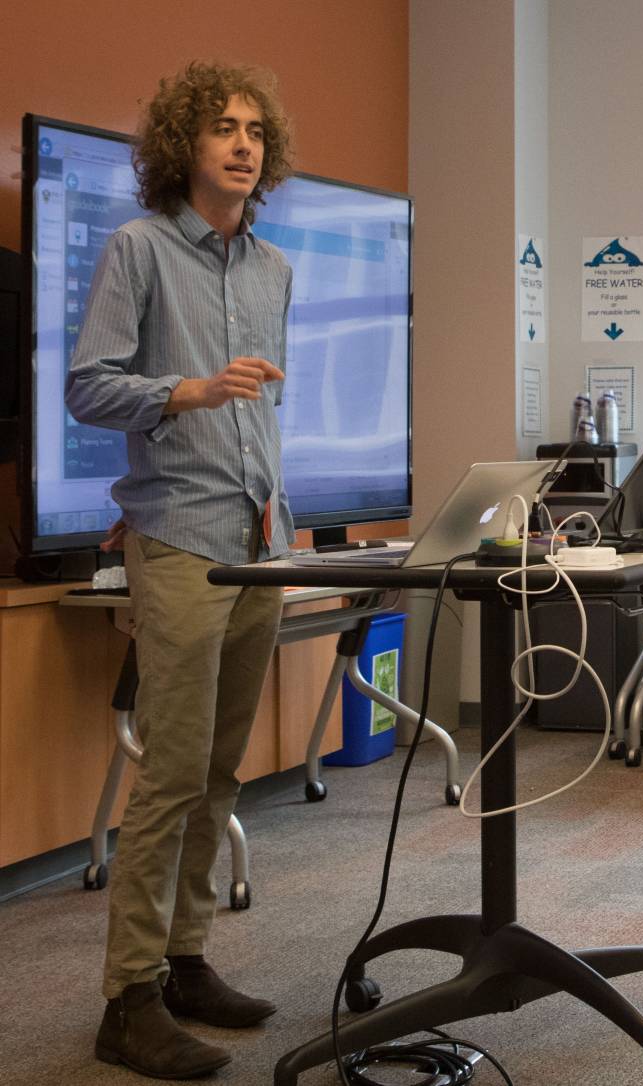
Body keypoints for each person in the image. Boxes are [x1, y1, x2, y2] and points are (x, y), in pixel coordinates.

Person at [66, 61, 297, 1079]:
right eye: (222, 130)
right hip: (181, 541)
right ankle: (129, 997)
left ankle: (188, 959)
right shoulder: (138, 250)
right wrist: (187, 394)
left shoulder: (274, 270)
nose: (243, 144)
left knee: (218, 768)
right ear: (182, 150)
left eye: (254, 130)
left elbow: (262, 416)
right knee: (169, 774)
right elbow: (88, 389)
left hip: (258, 541)